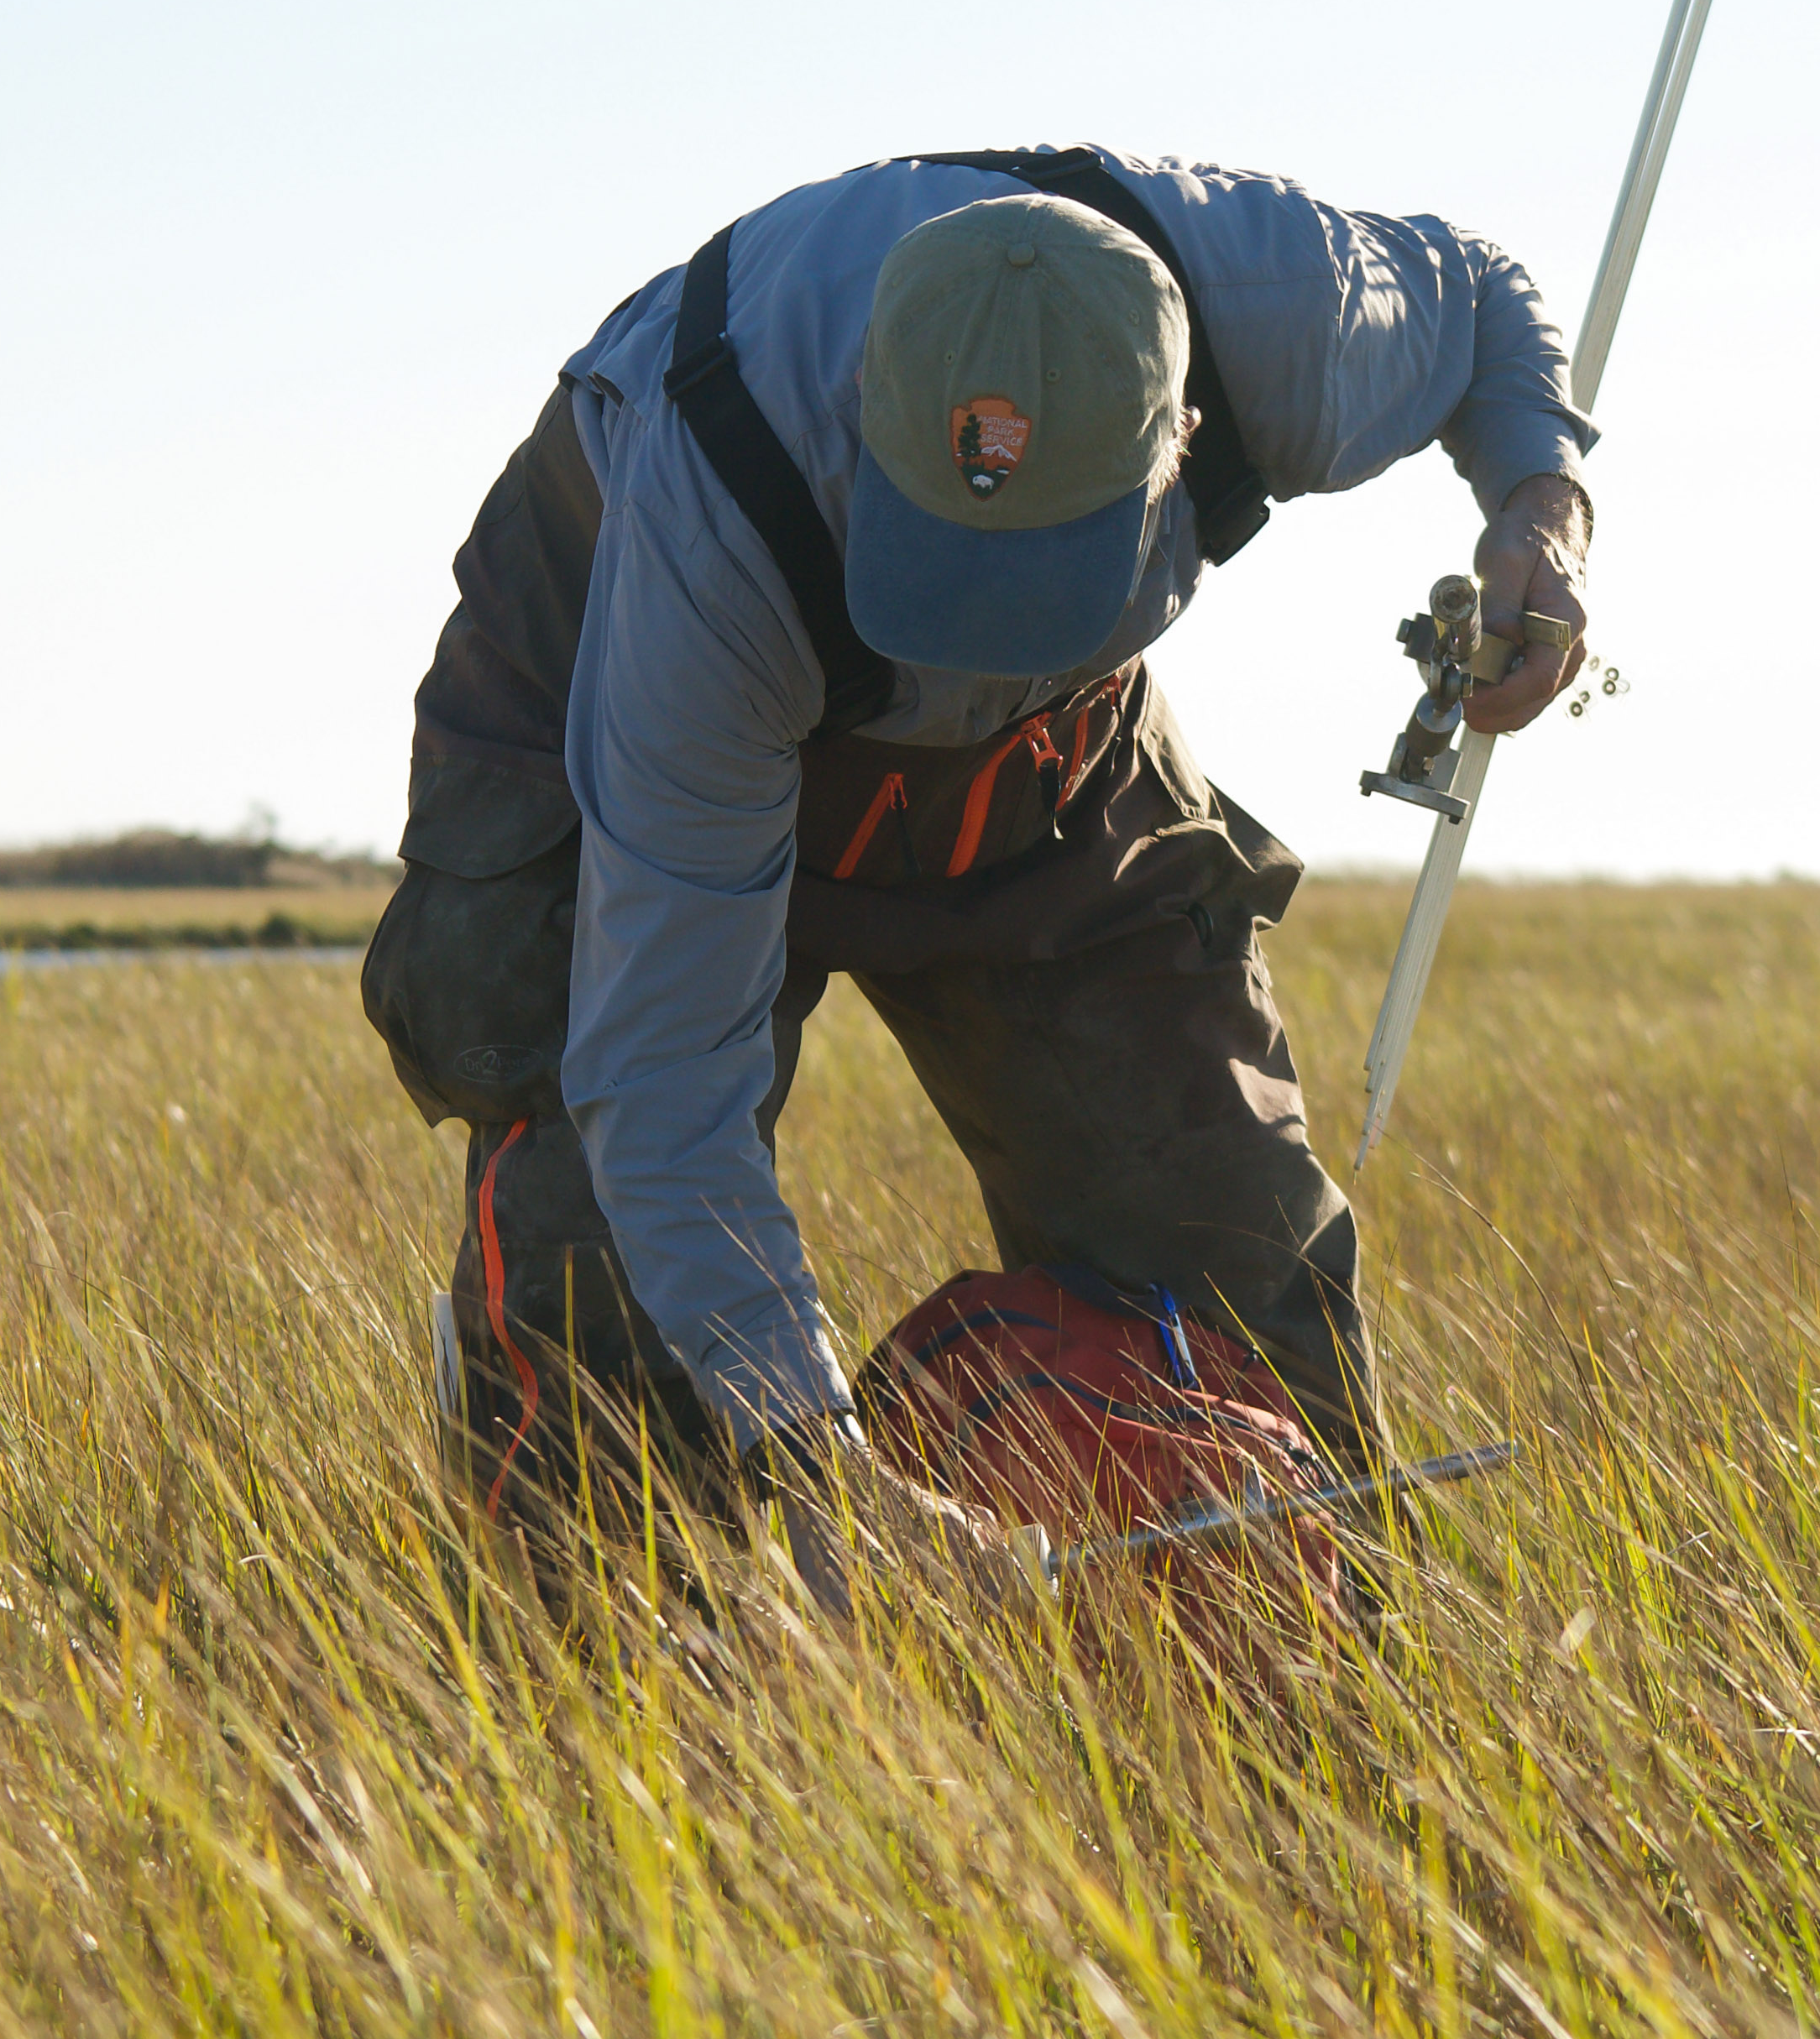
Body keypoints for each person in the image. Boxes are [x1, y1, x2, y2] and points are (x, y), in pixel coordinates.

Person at [360, 148, 1594, 1596]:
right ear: (867, 426)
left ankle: (1311, 1702)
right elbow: (662, 1077)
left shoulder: (1288, 317)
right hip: (645, 666)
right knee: (602, 1270)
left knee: (1232, 1262)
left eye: (1028, 586)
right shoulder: (711, 539)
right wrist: (819, 1477)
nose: (964, 644)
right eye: (940, 576)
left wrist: (1539, 507)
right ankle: (585, 1655)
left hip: (1059, 763)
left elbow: (1488, 306)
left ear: (1181, 438)